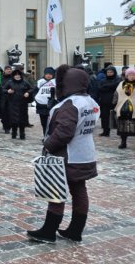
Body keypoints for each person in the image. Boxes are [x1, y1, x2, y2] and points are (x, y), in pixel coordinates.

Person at [28, 65, 100, 243]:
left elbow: (64, 132)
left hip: (67, 155)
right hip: (85, 153)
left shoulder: (71, 104)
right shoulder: (90, 101)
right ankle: (75, 230)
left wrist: (48, 145)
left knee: (56, 190)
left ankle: (49, 231)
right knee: (79, 190)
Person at [3, 69, 32, 140]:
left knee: (22, 119)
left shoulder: (24, 82)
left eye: (18, 75)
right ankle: (14, 133)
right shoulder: (10, 82)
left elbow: (31, 88)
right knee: (13, 119)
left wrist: (28, 92)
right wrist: (8, 91)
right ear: (13, 76)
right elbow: (3, 89)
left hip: (22, 103)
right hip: (12, 103)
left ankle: (22, 133)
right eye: (15, 75)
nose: (17, 76)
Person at [95, 66, 121, 137]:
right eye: (108, 72)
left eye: (111, 72)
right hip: (104, 101)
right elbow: (99, 88)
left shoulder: (117, 80)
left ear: (114, 72)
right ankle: (105, 131)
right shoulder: (103, 80)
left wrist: (105, 87)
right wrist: (109, 87)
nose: (109, 73)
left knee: (115, 117)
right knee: (104, 117)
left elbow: (116, 86)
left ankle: (120, 131)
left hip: (114, 102)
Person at [114, 67, 135, 149]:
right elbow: (116, 94)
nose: (132, 76)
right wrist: (114, 103)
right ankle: (123, 142)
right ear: (126, 75)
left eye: (133, 75)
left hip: (134, 108)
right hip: (123, 108)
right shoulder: (121, 84)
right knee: (123, 126)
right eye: (130, 74)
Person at [34, 67, 57, 135]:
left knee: (52, 123)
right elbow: (35, 92)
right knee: (43, 123)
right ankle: (45, 136)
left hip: (52, 106)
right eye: (47, 74)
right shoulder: (40, 82)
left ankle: (50, 136)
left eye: (50, 74)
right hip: (41, 106)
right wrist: (37, 100)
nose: (48, 75)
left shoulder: (55, 82)